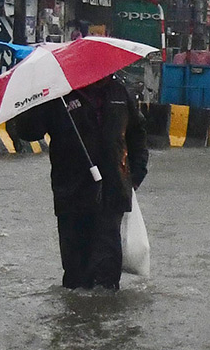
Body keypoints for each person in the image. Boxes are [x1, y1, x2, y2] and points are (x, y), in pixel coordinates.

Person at [9, 73, 149, 290]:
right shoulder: (60, 96)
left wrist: (135, 176)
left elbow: (137, 134)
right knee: (76, 273)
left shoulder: (119, 93)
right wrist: (35, 98)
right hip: (72, 194)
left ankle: (104, 313)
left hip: (112, 193)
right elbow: (29, 131)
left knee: (107, 271)